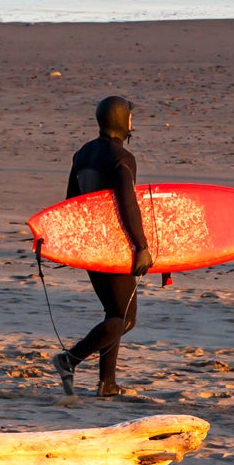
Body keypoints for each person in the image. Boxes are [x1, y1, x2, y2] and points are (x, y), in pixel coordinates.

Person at [50, 95, 154, 397]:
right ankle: (68, 359)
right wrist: (142, 246)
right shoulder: (122, 159)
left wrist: (68, 245)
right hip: (114, 248)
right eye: (130, 118)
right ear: (122, 122)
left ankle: (107, 383)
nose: (132, 123)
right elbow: (127, 205)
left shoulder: (82, 154)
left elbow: (71, 203)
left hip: (89, 247)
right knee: (125, 318)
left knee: (114, 312)